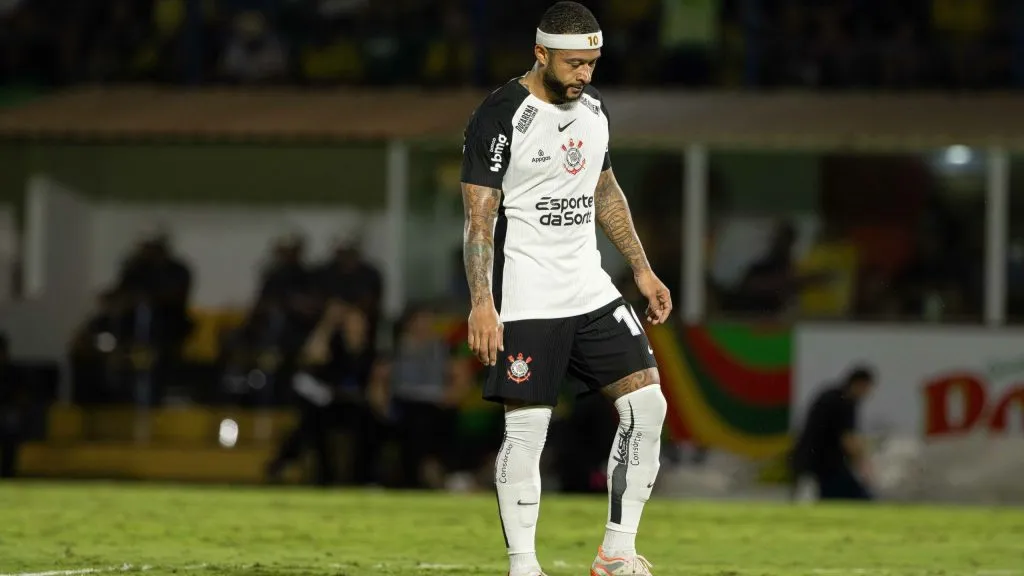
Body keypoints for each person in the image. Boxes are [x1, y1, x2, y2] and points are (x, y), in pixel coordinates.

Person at [459, 3, 672, 575]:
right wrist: (484, 303)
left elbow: (605, 192)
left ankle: (616, 553)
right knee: (527, 431)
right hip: (528, 295)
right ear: (541, 54)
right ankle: (524, 566)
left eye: (593, 63)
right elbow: (479, 220)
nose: (585, 74)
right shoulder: (500, 116)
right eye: (575, 63)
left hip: (590, 289)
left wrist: (642, 269)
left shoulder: (595, 112)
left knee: (647, 406)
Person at [791, 365, 877, 501]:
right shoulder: (844, 402)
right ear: (860, 384)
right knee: (861, 498)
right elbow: (848, 440)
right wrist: (864, 466)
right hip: (823, 465)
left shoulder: (831, 395)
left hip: (810, 461)